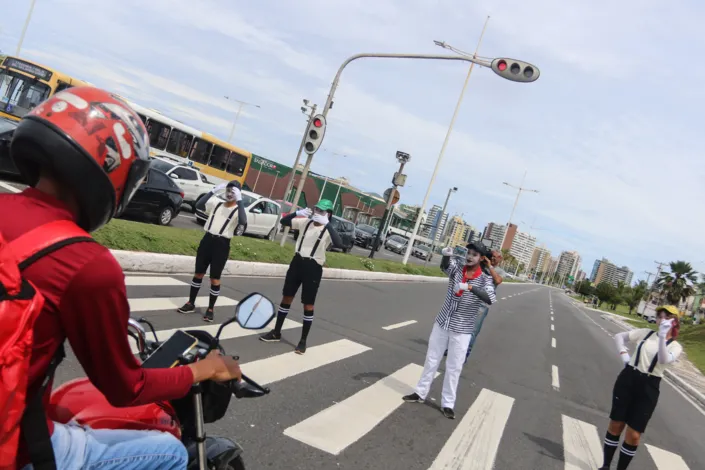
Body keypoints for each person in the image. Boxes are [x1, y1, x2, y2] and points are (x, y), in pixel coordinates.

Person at [0, 87, 242, 470]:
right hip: (19, 449)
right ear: (112, 165)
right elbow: (126, 387)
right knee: (171, 454)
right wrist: (202, 369)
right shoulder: (85, 263)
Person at [403, 241, 497, 419]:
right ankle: (420, 393)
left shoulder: (485, 279)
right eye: (469, 252)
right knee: (432, 359)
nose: (470, 256)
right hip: (443, 323)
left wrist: (470, 287)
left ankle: (447, 403)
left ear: (482, 259)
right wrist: (446, 255)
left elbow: (490, 298)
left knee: (454, 367)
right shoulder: (458, 268)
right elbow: (446, 267)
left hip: (462, 330)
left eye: (474, 254)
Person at [599, 305, 683, 470]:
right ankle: (606, 465)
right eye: (660, 316)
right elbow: (619, 337)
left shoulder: (675, 346)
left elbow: (664, 359)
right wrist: (624, 355)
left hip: (649, 386)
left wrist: (662, 338)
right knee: (616, 424)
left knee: (634, 434)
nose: (662, 319)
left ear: (674, 322)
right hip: (628, 379)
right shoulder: (645, 333)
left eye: (667, 317)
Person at [259, 199, 343, 354]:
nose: (317, 213)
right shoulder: (305, 222)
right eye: (316, 210)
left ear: (328, 214)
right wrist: (298, 213)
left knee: (308, 304)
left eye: (322, 211)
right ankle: (276, 332)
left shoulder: (328, 229)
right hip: (297, 262)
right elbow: (284, 221)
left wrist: (327, 223)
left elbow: (339, 243)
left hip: (313, 267)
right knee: (287, 297)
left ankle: (303, 340)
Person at [177, 180, 246, 322]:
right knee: (198, 273)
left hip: (222, 244)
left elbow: (243, 221)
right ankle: (190, 303)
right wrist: (213, 191)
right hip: (207, 240)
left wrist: (239, 200)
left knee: (215, 278)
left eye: (233, 192)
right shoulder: (217, 204)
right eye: (228, 191)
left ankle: (210, 309)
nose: (229, 194)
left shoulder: (237, 210)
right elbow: (198, 205)